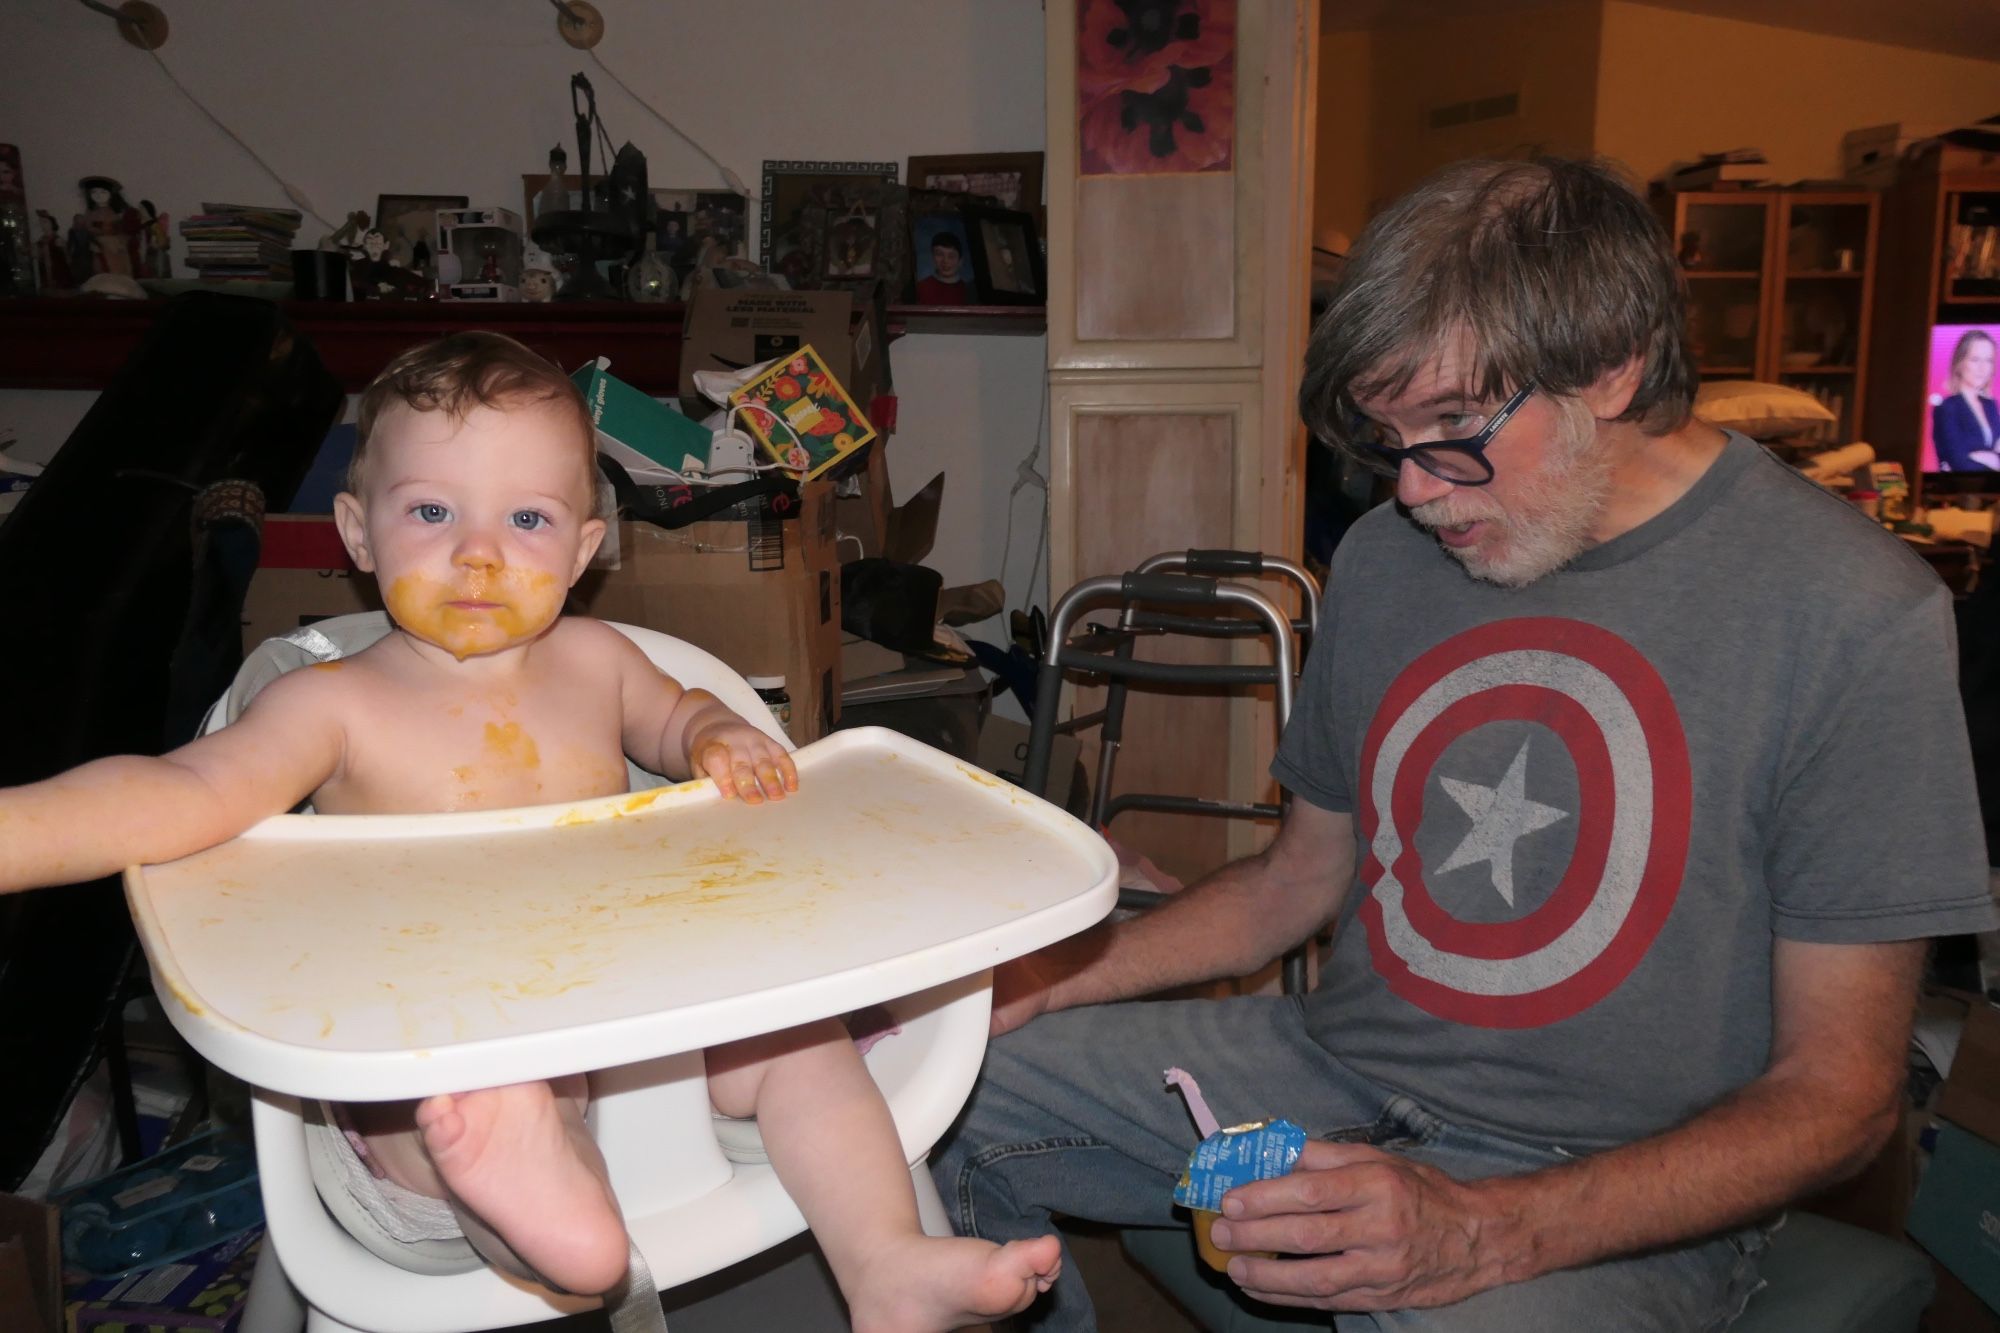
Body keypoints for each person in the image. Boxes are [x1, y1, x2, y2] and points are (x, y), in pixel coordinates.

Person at [931, 155, 1999, 1331]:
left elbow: (1839, 1095)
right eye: (1384, 440)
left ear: (1609, 365)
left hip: (1605, 1171)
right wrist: (1047, 981)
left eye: (1449, 429)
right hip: (1329, 1068)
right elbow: (1295, 878)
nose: (1414, 491)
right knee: (935, 1097)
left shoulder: (1852, 612)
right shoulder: (1391, 558)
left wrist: (1486, 1231)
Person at [0, 332, 1061, 1330]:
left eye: (525, 521)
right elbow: (180, 794)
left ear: (584, 548)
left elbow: (678, 711)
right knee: (466, 1104)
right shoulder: (329, 707)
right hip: (437, 1031)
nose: (476, 556)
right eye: (430, 513)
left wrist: (718, 736)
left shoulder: (598, 663)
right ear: (358, 532)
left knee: (801, 1047)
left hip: (638, 1011)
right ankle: (534, 1200)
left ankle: (882, 1258)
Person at [1932, 328, 2000, 471]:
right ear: (1960, 363)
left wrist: (1990, 458)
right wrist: (1993, 460)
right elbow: (1959, 463)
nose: (1982, 368)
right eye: (1975, 360)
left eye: (1988, 361)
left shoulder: (1991, 406)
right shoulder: (1947, 408)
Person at [916, 230, 971, 304]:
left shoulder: (969, 291)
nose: (945, 261)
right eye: (939, 254)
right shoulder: (921, 287)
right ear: (932, 256)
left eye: (951, 256)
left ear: (960, 261)